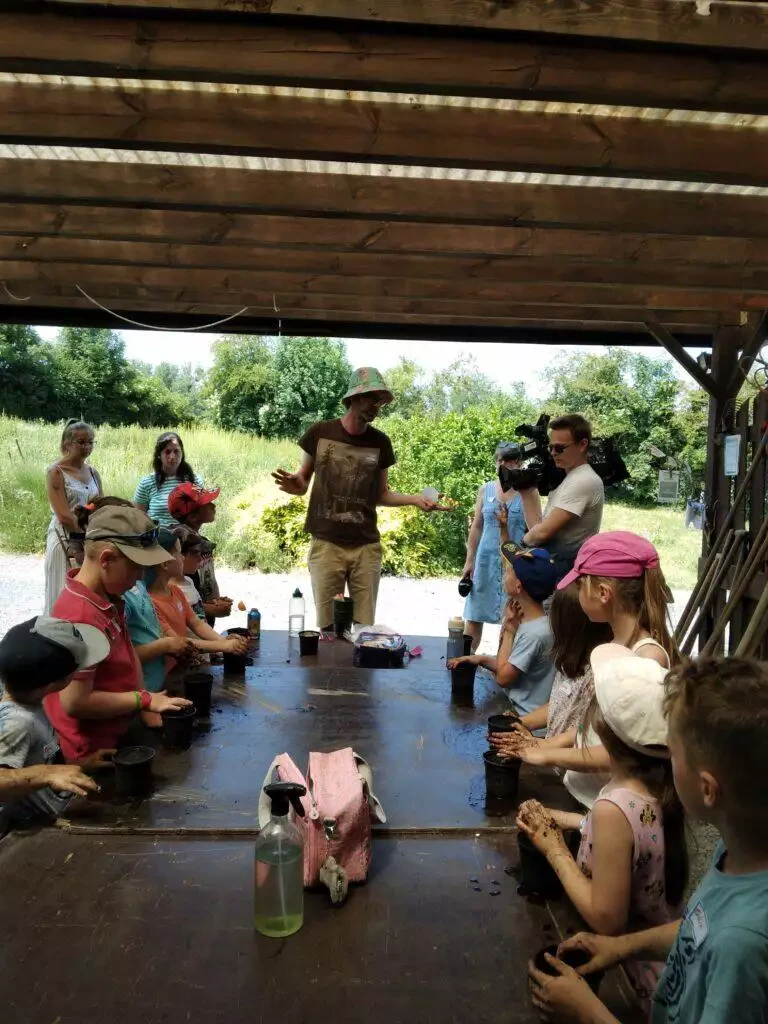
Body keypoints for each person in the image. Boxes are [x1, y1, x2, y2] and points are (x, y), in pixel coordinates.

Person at [528, 656, 768, 1024]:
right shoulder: (739, 854)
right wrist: (622, 946)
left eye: (672, 751)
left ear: (707, 789)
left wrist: (588, 1011)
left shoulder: (743, 944)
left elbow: (723, 938)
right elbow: (699, 928)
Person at [518, 644, 687, 1015]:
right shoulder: (656, 786)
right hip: (664, 961)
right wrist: (570, 820)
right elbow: (638, 838)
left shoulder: (613, 809)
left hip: (629, 977)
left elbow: (606, 919)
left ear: (604, 730)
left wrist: (553, 848)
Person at [501, 531, 677, 810]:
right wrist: (541, 744)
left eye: (581, 584)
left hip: (612, 809)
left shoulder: (646, 659)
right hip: (587, 795)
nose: (578, 592)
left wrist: (548, 756)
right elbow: (590, 724)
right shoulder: (614, 644)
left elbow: (621, 755)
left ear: (603, 593)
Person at [272, 367, 438, 631]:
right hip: (326, 544)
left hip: (366, 548)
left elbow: (380, 495)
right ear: (355, 397)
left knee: (364, 630)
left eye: (380, 402)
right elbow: (303, 481)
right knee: (329, 629)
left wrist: (416, 500)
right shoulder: (320, 433)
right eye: (372, 399)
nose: (376, 407)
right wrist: (297, 485)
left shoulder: (381, 443)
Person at [43, 501, 192, 761]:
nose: (138, 579)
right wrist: (143, 700)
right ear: (107, 559)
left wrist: (145, 703)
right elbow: (76, 702)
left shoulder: (107, 597)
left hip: (120, 728)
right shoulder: (80, 616)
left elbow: (129, 651)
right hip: (95, 750)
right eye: (136, 568)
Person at [0, 616, 112, 833]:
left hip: (55, 816)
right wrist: (46, 773)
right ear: (58, 682)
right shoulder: (17, 722)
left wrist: (81, 766)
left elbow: (37, 761)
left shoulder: (30, 705)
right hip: (27, 836)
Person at [489, 583, 611, 750]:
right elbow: (559, 705)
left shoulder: (598, 673)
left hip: (569, 757)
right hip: (552, 754)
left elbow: (586, 730)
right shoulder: (569, 661)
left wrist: (542, 745)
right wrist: (519, 722)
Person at [448, 544, 559, 716]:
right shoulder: (536, 623)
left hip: (525, 717)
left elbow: (503, 678)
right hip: (519, 709)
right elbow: (512, 667)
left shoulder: (533, 634)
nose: (504, 574)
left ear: (518, 587)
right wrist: (480, 658)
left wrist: (509, 631)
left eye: (509, 571)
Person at [461, 442, 539, 652]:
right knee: (473, 616)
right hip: (485, 562)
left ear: (518, 463)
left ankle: (502, 666)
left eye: (510, 460)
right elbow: (477, 527)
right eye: (500, 460)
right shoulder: (485, 490)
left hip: (514, 565)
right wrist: (470, 561)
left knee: (511, 619)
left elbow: (536, 530)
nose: (504, 464)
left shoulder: (528, 493)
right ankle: (465, 661)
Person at [520, 414, 604, 581]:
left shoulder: (583, 480)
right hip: (555, 570)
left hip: (565, 575)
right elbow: (538, 528)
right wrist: (526, 492)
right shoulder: (570, 478)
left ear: (582, 445)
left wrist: (521, 545)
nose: (553, 453)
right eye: (550, 447)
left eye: (559, 448)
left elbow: (541, 534)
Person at [146, 528, 249, 662]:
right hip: (169, 672)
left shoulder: (175, 591)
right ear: (165, 564)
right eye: (179, 553)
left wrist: (224, 641)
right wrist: (224, 645)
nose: (183, 557)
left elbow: (197, 624)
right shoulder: (150, 603)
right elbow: (177, 642)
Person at [43, 419, 102, 614]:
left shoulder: (93, 473)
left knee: (85, 594)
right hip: (64, 538)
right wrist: (84, 530)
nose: (87, 447)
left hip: (89, 538)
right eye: (81, 442)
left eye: (90, 442)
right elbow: (64, 516)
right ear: (67, 443)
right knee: (62, 590)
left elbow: (100, 505)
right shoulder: (56, 472)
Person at [168, 482, 232, 626]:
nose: (213, 505)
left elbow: (199, 585)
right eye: (207, 503)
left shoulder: (202, 542)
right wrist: (208, 609)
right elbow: (174, 592)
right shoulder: (178, 543)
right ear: (193, 517)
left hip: (203, 621)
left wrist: (214, 601)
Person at [133, 431, 201, 528]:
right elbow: (138, 518)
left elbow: (201, 515)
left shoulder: (194, 480)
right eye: (167, 452)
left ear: (182, 453)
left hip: (188, 535)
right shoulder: (147, 483)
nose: (172, 456)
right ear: (159, 455)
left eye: (176, 451)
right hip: (157, 536)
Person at [172, 525, 207, 622]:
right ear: (180, 555)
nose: (200, 559)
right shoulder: (172, 591)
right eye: (196, 554)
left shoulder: (189, 581)